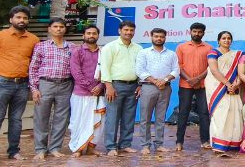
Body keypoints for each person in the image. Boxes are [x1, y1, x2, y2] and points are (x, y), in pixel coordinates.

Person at [0, 6, 40, 165]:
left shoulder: (34, 40)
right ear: (11, 19)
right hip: (2, 83)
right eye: (18, 17)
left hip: (22, 84)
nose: (22, 20)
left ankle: (14, 151)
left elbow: (35, 62)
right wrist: (2, 72)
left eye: (25, 18)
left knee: (16, 119)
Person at [29, 17, 73, 160]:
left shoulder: (72, 47)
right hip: (45, 84)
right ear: (49, 29)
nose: (58, 29)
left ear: (65, 29)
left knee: (61, 118)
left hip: (66, 84)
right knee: (41, 117)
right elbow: (33, 68)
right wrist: (34, 89)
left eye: (61, 27)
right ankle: (40, 149)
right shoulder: (41, 46)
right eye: (55, 26)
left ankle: (55, 148)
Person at [100, 20, 142, 156]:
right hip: (115, 86)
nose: (129, 32)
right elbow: (104, 67)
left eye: (131, 30)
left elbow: (141, 68)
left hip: (133, 86)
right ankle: (111, 146)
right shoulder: (110, 47)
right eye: (126, 30)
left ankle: (125, 144)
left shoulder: (138, 48)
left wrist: (140, 85)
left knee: (129, 117)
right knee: (112, 117)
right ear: (120, 31)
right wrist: (108, 86)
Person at [135, 27, 179, 154]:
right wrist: (155, 81)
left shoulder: (171, 54)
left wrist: (164, 80)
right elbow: (140, 70)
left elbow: (176, 70)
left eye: (161, 36)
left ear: (165, 38)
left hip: (165, 88)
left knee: (161, 117)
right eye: (156, 36)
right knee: (145, 118)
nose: (159, 39)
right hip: (148, 87)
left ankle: (159, 144)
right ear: (151, 37)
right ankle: (145, 145)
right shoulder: (144, 53)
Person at [68, 25, 105, 158]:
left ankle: (90, 149)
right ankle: (77, 147)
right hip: (81, 93)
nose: (91, 36)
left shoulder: (103, 52)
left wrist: (100, 86)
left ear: (98, 36)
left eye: (94, 33)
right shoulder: (77, 51)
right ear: (83, 35)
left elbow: (107, 71)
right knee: (78, 121)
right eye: (88, 33)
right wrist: (90, 87)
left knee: (98, 122)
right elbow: (76, 72)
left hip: (98, 94)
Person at [175, 22, 212, 151]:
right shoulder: (181, 47)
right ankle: (179, 142)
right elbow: (178, 66)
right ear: (190, 32)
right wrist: (190, 80)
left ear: (203, 33)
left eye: (199, 32)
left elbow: (210, 67)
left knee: (204, 113)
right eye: (194, 31)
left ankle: (205, 141)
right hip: (185, 85)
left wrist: (198, 79)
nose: (197, 34)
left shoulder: (209, 48)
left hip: (203, 85)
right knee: (183, 113)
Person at [206, 31, 244, 154]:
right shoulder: (213, 52)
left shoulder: (237, 55)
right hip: (217, 87)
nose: (226, 40)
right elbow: (214, 70)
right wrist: (228, 84)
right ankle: (219, 143)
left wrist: (236, 83)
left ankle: (233, 143)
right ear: (219, 41)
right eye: (223, 38)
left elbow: (241, 72)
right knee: (220, 114)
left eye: (228, 38)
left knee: (234, 113)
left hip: (233, 87)